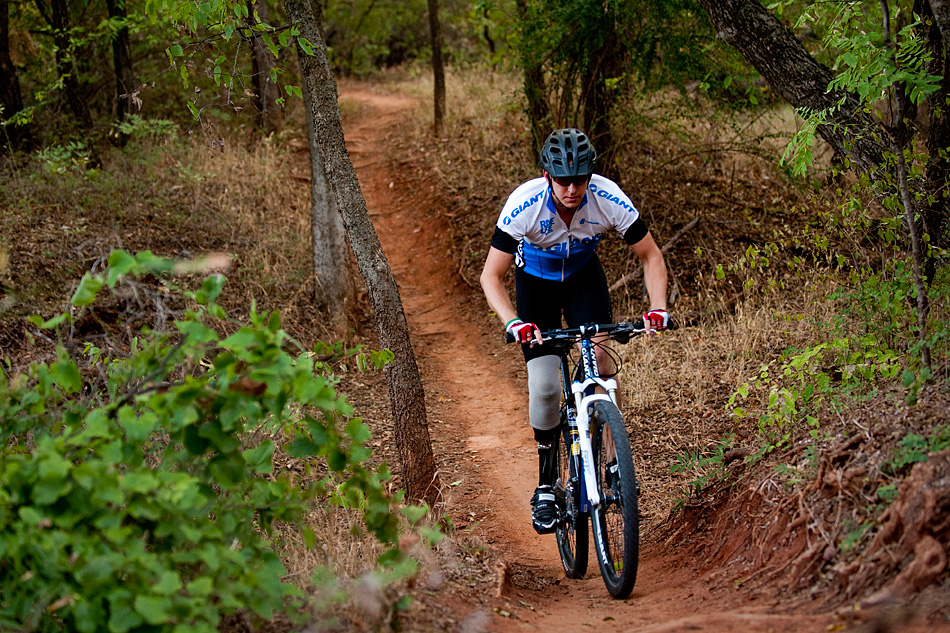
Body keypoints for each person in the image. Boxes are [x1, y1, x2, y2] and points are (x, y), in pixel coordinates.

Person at [479, 128, 669, 534]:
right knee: (546, 386)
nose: (571, 189)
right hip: (536, 288)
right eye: (562, 180)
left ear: (590, 176)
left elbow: (651, 255)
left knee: (600, 359)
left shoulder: (608, 197)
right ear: (546, 176)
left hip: (584, 280)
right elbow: (491, 277)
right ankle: (547, 483)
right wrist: (514, 322)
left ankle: (615, 461)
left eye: (579, 180)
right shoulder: (524, 204)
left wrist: (658, 308)